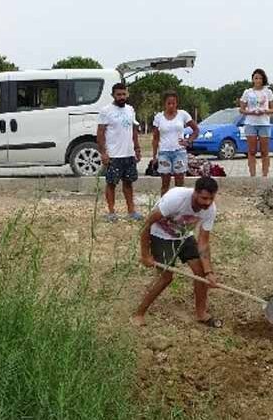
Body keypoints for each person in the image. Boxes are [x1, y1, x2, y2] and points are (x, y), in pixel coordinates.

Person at [133, 177, 221, 328]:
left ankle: (201, 313)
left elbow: (203, 241)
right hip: (160, 235)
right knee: (166, 277)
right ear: (195, 193)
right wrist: (145, 254)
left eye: (211, 199)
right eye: (204, 198)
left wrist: (209, 272)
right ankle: (139, 313)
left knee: (201, 275)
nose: (207, 203)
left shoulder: (210, 209)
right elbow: (147, 223)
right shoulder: (176, 198)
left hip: (184, 235)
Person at [97, 82, 142, 222]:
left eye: (124, 94)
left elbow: (134, 130)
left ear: (127, 94)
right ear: (113, 95)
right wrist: (103, 153)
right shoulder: (106, 111)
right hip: (113, 155)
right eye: (119, 94)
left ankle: (131, 211)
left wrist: (137, 148)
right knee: (111, 184)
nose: (122, 97)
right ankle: (111, 212)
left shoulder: (130, 110)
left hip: (128, 154)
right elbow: (100, 133)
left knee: (128, 183)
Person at [152, 91, 200, 195]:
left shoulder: (183, 115)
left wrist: (188, 141)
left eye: (173, 103)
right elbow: (155, 137)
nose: (171, 106)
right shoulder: (159, 117)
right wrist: (154, 155)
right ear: (164, 104)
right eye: (168, 103)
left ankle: (179, 206)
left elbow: (196, 130)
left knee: (179, 184)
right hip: (164, 152)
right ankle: (164, 206)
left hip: (179, 152)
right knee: (165, 183)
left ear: (176, 103)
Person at [239, 69, 273, 177]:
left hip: (264, 123)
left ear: (263, 79)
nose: (258, 80)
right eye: (256, 78)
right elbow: (241, 109)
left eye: (260, 78)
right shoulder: (247, 92)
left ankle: (265, 175)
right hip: (251, 123)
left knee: (264, 151)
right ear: (252, 79)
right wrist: (251, 112)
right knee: (252, 150)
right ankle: (252, 175)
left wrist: (265, 111)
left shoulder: (268, 92)